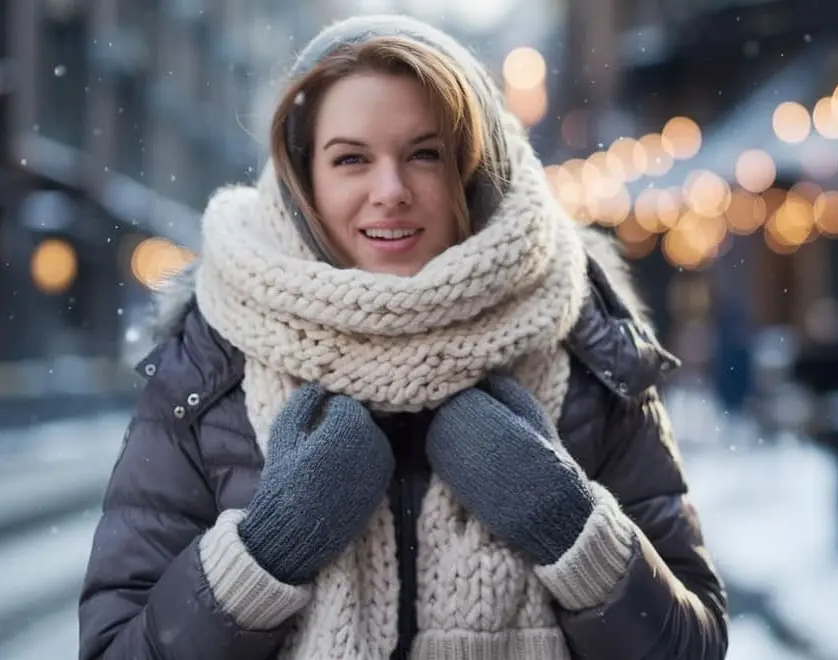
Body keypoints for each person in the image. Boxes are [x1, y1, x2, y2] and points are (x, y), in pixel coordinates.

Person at [78, 14, 728, 660]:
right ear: (305, 180)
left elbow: (692, 647)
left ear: (470, 173)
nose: (389, 191)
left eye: (424, 154)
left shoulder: (580, 346)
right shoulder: (213, 361)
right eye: (351, 159)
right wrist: (266, 552)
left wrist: (566, 524)